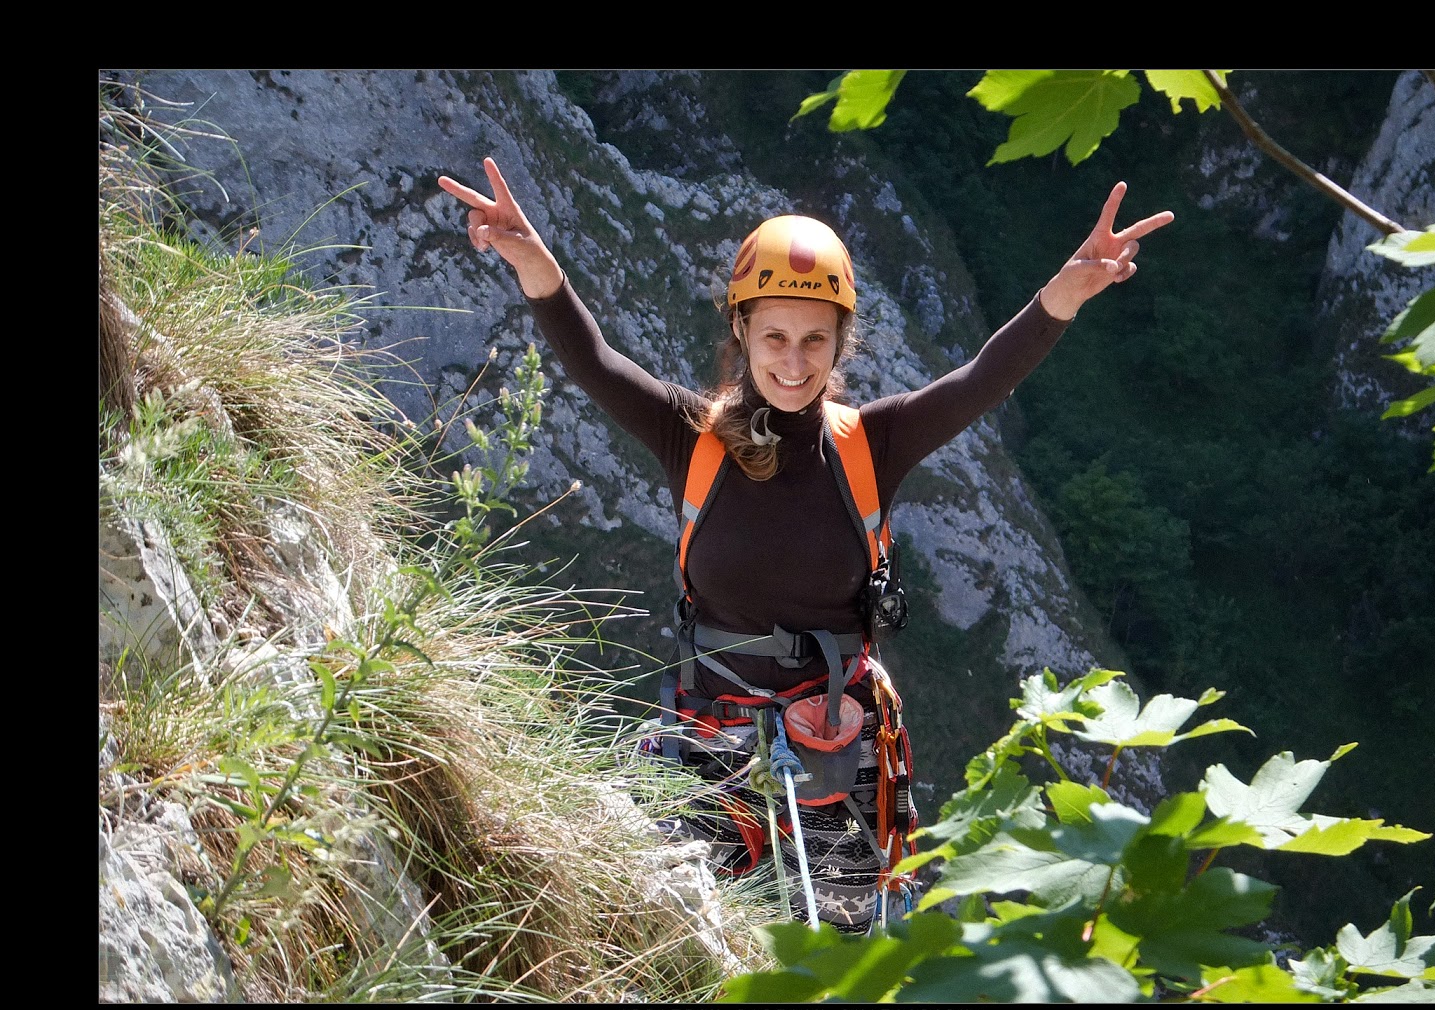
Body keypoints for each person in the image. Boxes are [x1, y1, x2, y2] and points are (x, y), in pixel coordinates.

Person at [439, 157, 1173, 933]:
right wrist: (533, 261)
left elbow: (981, 380)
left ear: (840, 342)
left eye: (815, 340)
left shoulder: (872, 445)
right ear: (742, 332)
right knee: (672, 931)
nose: (794, 362)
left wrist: (1065, 293)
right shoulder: (691, 438)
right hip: (709, 736)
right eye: (776, 337)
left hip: (835, 741)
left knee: (843, 954)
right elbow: (595, 362)